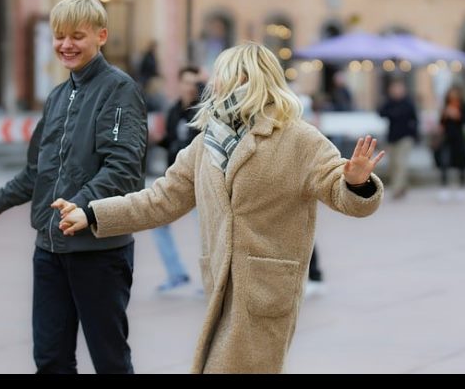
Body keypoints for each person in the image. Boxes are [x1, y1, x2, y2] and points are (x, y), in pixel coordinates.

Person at [53, 42, 385, 374]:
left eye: (220, 73)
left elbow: (342, 194)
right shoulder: (206, 142)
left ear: (244, 77)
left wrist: (356, 183)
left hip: (266, 292)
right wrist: (93, 213)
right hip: (220, 288)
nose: (211, 82)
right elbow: (160, 200)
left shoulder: (299, 139)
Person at [0, 0, 148, 374]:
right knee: (50, 359)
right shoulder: (58, 97)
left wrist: (80, 204)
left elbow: (124, 167)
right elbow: (37, 171)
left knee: (110, 360)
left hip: (99, 252)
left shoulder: (119, 90)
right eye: (59, 36)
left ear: (101, 36)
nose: (66, 45)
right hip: (49, 251)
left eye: (77, 36)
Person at [153, 66, 202, 292]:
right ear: (180, 83)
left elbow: (198, 146)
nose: (190, 87)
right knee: (158, 224)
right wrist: (157, 140)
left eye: (194, 83)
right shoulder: (173, 110)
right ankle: (176, 273)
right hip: (175, 180)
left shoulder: (203, 111)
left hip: (198, 180)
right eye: (187, 82)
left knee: (207, 230)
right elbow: (173, 141)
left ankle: (211, 280)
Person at [378, 78, 419, 199]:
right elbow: (381, 113)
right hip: (392, 138)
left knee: (401, 163)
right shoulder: (389, 102)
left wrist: (415, 135)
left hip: (406, 138)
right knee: (392, 165)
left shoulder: (408, 103)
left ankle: (396, 189)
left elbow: (415, 120)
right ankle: (403, 186)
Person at [435, 85, 465, 201]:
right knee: (444, 163)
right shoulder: (445, 106)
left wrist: (456, 115)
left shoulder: (464, 106)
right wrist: (445, 115)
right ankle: (444, 189)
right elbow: (441, 123)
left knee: (461, 164)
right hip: (446, 139)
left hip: (459, 139)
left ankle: (462, 188)